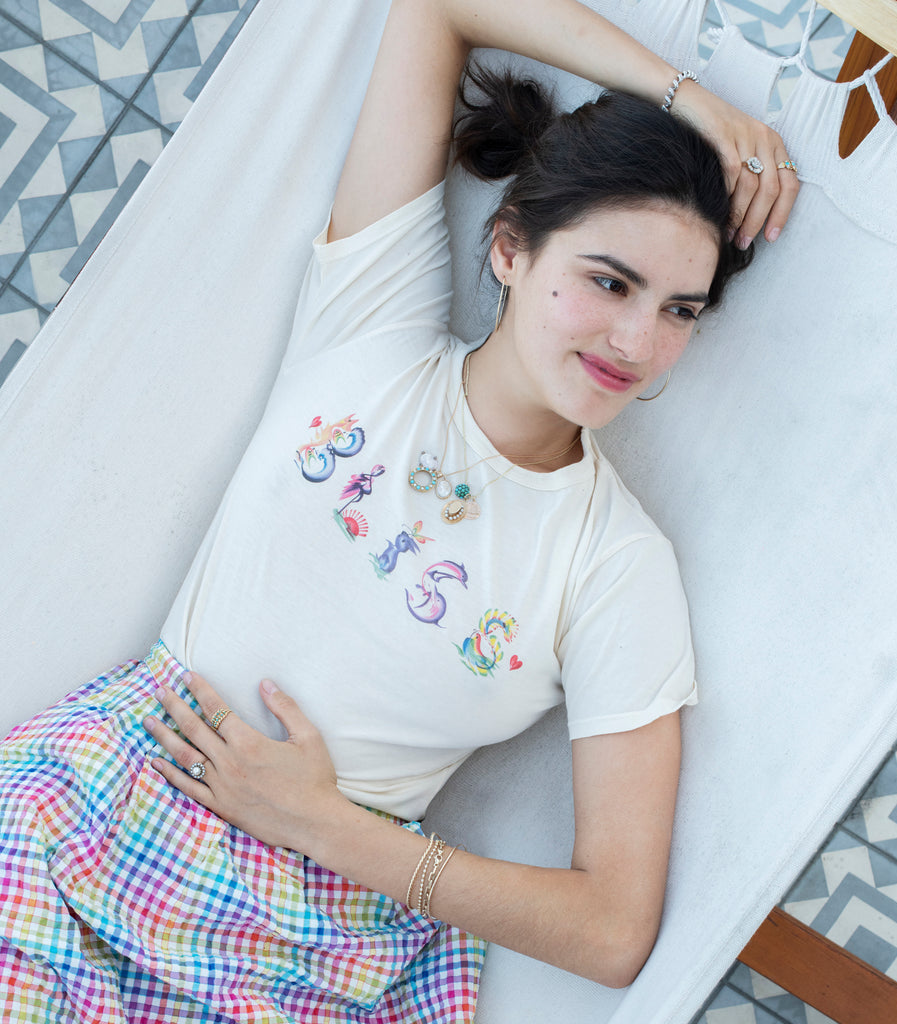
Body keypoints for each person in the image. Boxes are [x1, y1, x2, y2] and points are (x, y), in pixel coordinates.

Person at [0, 0, 798, 1020]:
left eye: (679, 310)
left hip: (300, 935)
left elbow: (611, 930)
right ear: (509, 248)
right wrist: (687, 99)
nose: (637, 343)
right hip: (87, 818)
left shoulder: (615, 566)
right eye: (610, 282)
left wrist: (324, 826)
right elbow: (438, 8)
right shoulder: (372, 327)